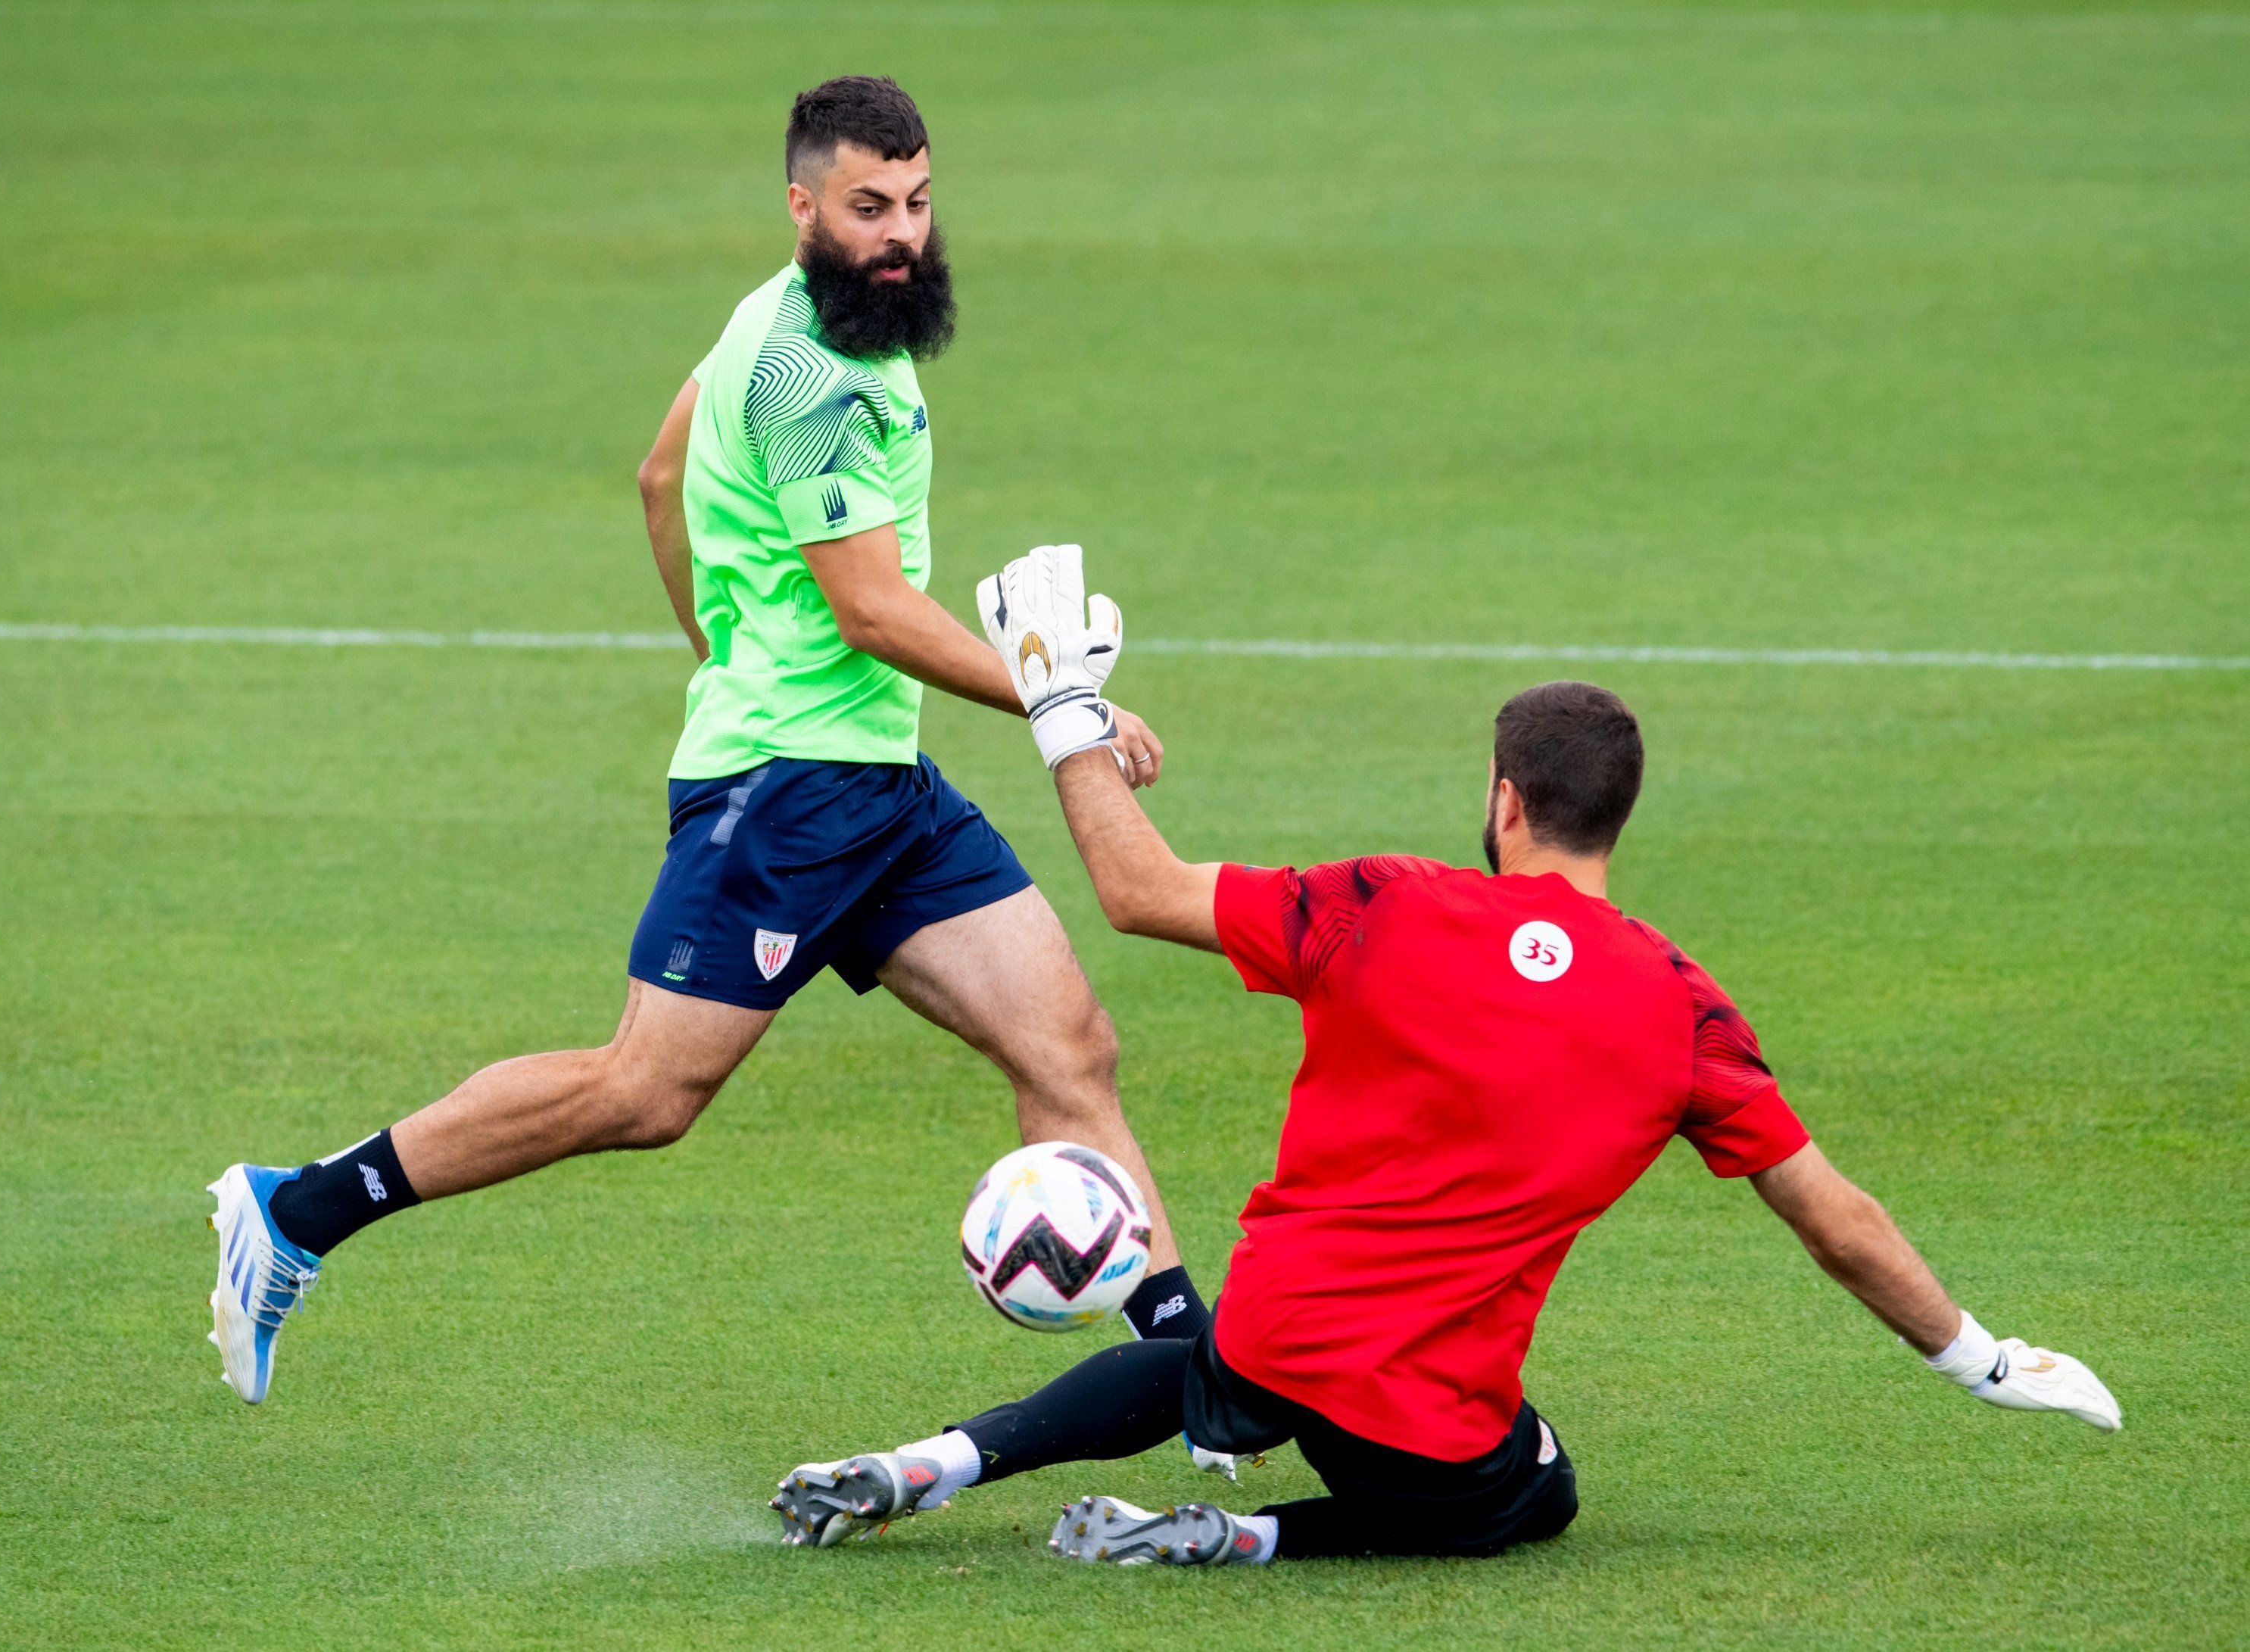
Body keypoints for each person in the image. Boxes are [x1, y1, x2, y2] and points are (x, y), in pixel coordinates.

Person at [768, 547, 2122, 1565]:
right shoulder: (1684, 1010)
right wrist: (1979, 1356)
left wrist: (1063, 709)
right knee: (1539, 1493)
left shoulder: (1385, 901)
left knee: (1209, 1359)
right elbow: (1831, 1217)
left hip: (1269, 1340)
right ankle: (1244, 1542)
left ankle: (934, 1459)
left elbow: (1137, 889)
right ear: (1613, 822)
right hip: (1421, 1431)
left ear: (1505, 799)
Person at [202, 81, 1216, 1408]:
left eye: (915, 203)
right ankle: (295, 1213)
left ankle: (1198, 1387)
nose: (900, 234)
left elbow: (661, 476)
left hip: (876, 785)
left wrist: (723, 647)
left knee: (1066, 1046)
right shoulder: (807, 374)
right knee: (644, 1090)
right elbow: (867, 607)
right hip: (788, 794)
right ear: (803, 207)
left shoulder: (783, 316)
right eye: (867, 210)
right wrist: (1053, 696)